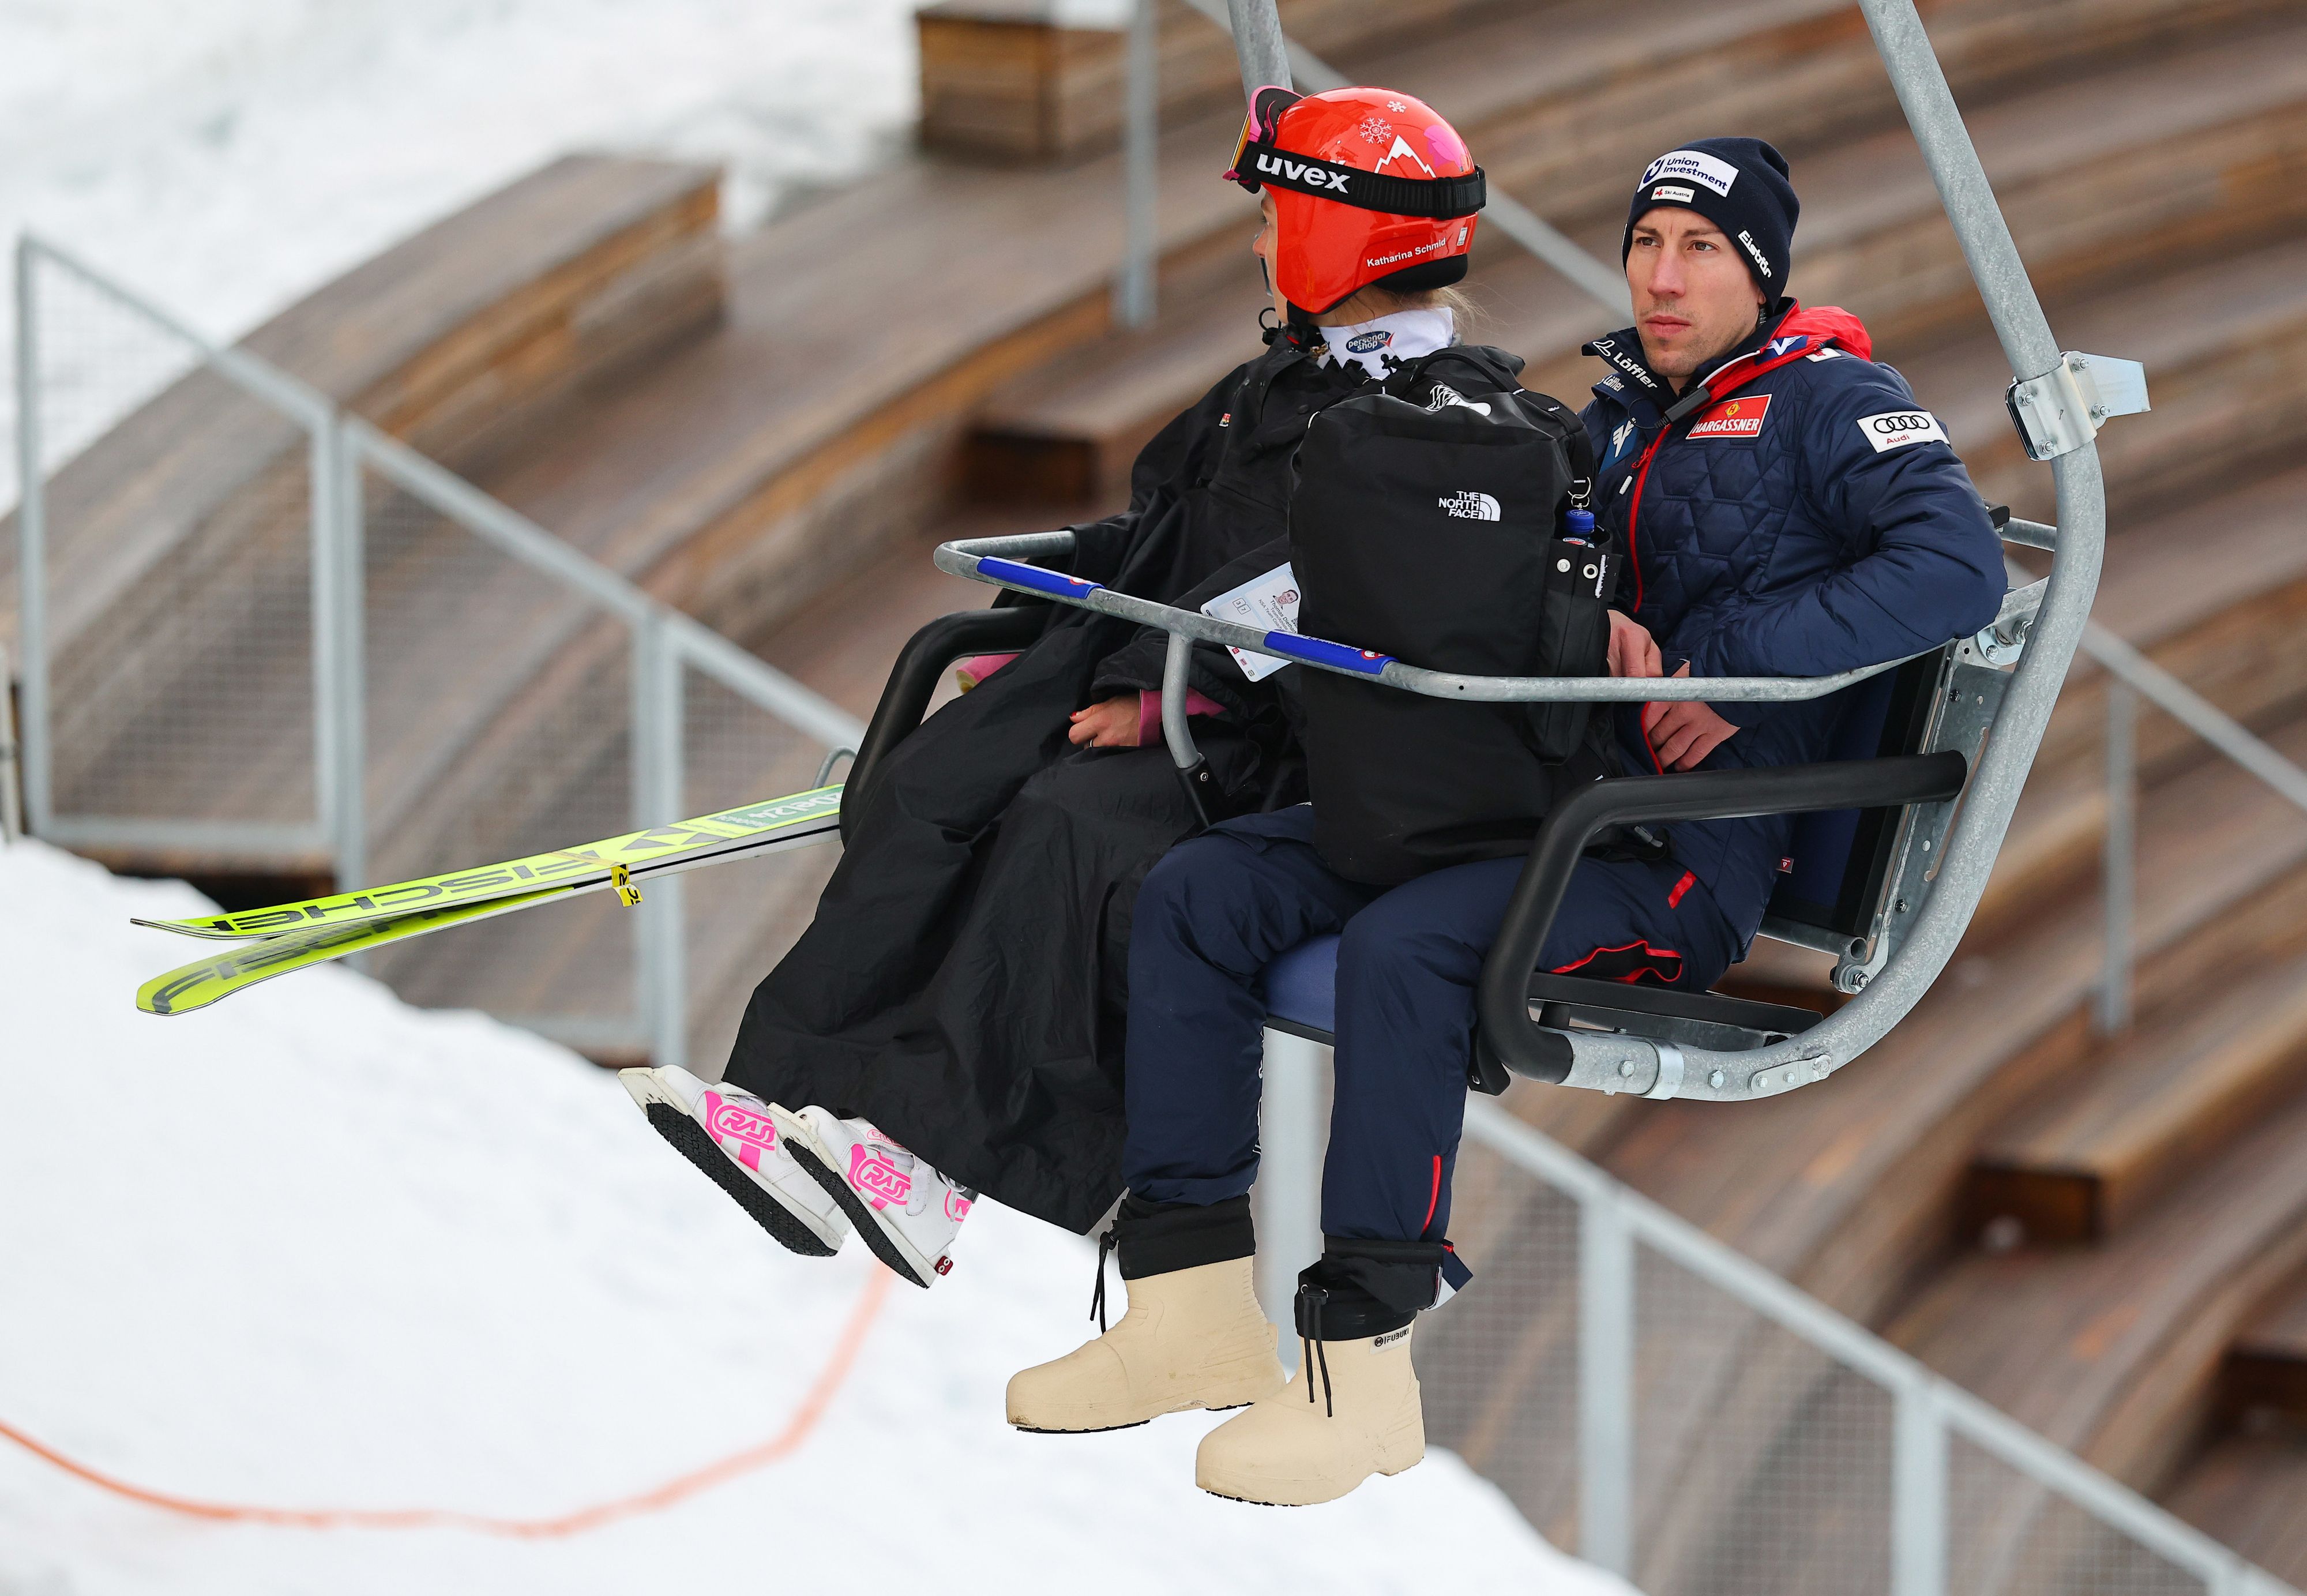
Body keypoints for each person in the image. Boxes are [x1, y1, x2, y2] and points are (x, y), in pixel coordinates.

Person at [1003, 136, 2007, 1505]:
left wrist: (1720, 671)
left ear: (1762, 273)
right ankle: (1187, 1308)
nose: (1661, 278)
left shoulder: (1833, 403)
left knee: (1406, 950)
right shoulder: (1607, 414)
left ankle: (1361, 1371)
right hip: (1524, 803)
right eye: (1645, 244)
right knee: (1201, 891)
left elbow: (1954, 566)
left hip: (1669, 854)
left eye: (1699, 251)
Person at [616, 85, 1492, 1290]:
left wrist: (1169, 692)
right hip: (1148, 668)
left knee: (1070, 828)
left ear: (1344, 237)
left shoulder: (1436, 418)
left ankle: (932, 1167)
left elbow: (1316, 587)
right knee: (931, 783)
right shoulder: (1279, 380)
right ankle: (794, 1102)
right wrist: (1049, 614)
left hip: (1276, 736)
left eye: (1274, 218)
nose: (1257, 244)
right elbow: (1164, 528)